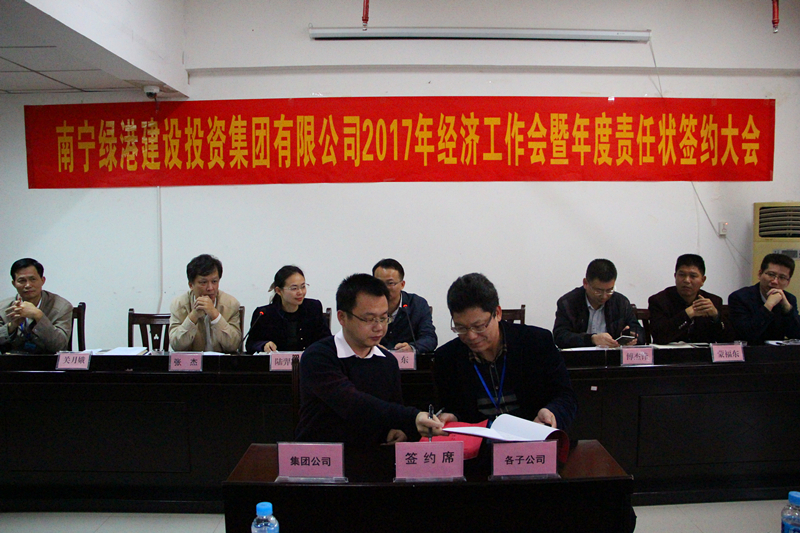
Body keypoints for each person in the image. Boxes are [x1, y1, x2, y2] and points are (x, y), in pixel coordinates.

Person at [295, 273, 444, 448]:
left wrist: (398, 430)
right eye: (369, 319)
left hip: (373, 454)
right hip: (322, 456)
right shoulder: (318, 356)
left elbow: (390, 412)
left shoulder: (388, 361)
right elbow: (352, 404)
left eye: (383, 318)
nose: (379, 327)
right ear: (342, 318)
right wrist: (412, 417)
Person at [434, 273, 577, 430]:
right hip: (480, 443)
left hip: (531, 437)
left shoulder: (536, 343)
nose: (471, 336)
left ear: (497, 313)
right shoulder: (446, 358)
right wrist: (452, 418)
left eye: (479, 326)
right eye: (461, 327)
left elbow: (565, 396)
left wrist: (552, 412)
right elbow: (453, 408)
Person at [553, 259, 644, 348]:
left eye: (609, 290)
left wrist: (633, 336)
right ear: (585, 283)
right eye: (598, 291)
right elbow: (560, 336)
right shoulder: (568, 303)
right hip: (580, 356)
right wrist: (592, 339)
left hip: (612, 356)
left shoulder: (621, 303)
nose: (604, 296)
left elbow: (639, 332)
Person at [648, 254, 734, 344]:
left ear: (703, 280)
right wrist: (687, 314)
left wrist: (716, 316)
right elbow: (659, 336)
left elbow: (729, 339)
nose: (687, 280)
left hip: (702, 353)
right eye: (682, 275)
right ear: (675, 276)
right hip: (671, 352)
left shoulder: (713, 301)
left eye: (693, 276)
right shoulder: (659, 301)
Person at [245, 265, 331, 353]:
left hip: (308, 360)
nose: (300, 292)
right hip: (277, 361)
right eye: (294, 288)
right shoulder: (264, 314)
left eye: (303, 286)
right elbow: (251, 344)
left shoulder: (313, 308)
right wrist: (264, 345)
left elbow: (326, 340)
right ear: (278, 291)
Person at [169, 254, 242, 353]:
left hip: (221, 362)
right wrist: (193, 316)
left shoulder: (230, 304)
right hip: (192, 362)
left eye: (214, 281)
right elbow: (176, 345)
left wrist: (215, 315)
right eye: (203, 282)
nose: (210, 288)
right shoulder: (179, 305)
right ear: (191, 285)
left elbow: (233, 345)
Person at [0, 258, 73, 353]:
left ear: (42, 280)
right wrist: (11, 326)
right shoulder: (3, 308)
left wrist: (39, 316)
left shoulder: (62, 306)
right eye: (22, 280)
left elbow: (60, 346)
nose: (28, 285)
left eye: (33, 279)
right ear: (14, 284)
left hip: (48, 360)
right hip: (13, 360)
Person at [729, 253, 800, 345]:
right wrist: (768, 306)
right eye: (771, 274)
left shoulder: (789, 299)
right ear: (760, 274)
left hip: (777, 352)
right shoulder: (739, 297)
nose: (775, 281)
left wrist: (787, 308)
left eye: (782, 277)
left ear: (788, 282)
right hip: (749, 351)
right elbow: (747, 335)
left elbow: (796, 335)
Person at [372, 258, 437, 353]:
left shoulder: (417, 304)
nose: (383, 288)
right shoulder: (365, 306)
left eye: (390, 283)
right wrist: (372, 347)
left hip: (406, 359)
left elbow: (429, 338)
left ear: (402, 284)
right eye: (379, 283)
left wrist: (412, 348)